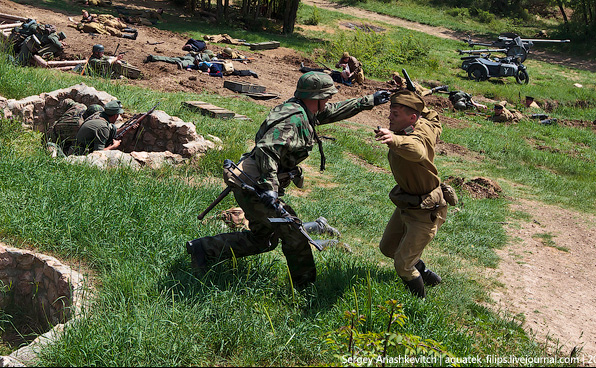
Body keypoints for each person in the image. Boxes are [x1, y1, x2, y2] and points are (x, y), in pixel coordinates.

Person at [186, 73, 391, 289]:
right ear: (317, 97)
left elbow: (336, 110)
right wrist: (270, 190)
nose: (329, 101)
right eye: (327, 96)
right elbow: (267, 149)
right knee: (294, 235)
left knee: (263, 240)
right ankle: (305, 289)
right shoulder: (293, 120)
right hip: (255, 185)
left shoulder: (304, 109)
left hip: (254, 182)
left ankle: (203, 249)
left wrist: (370, 100)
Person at [374, 91, 447, 298]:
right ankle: (425, 274)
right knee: (389, 248)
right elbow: (433, 116)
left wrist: (395, 140)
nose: (389, 118)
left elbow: (418, 151)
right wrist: (415, 94)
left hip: (426, 209)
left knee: (403, 265)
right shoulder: (425, 122)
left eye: (395, 114)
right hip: (408, 203)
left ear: (412, 118)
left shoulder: (417, 137)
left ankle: (419, 304)